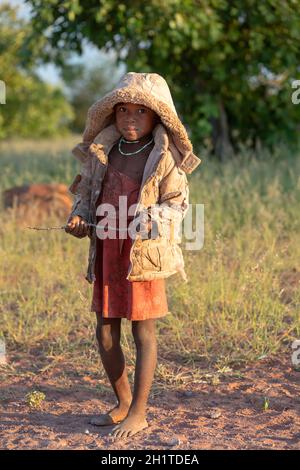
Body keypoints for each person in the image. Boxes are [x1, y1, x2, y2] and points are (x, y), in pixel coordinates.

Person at [65, 72, 201, 439]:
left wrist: (152, 218)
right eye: (123, 110)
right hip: (109, 250)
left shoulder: (164, 156)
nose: (130, 118)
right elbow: (87, 193)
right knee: (105, 333)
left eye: (140, 112)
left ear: (158, 117)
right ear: (112, 114)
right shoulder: (102, 151)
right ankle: (123, 401)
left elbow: (177, 204)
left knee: (144, 332)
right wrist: (79, 217)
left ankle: (139, 413)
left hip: (143, 254)